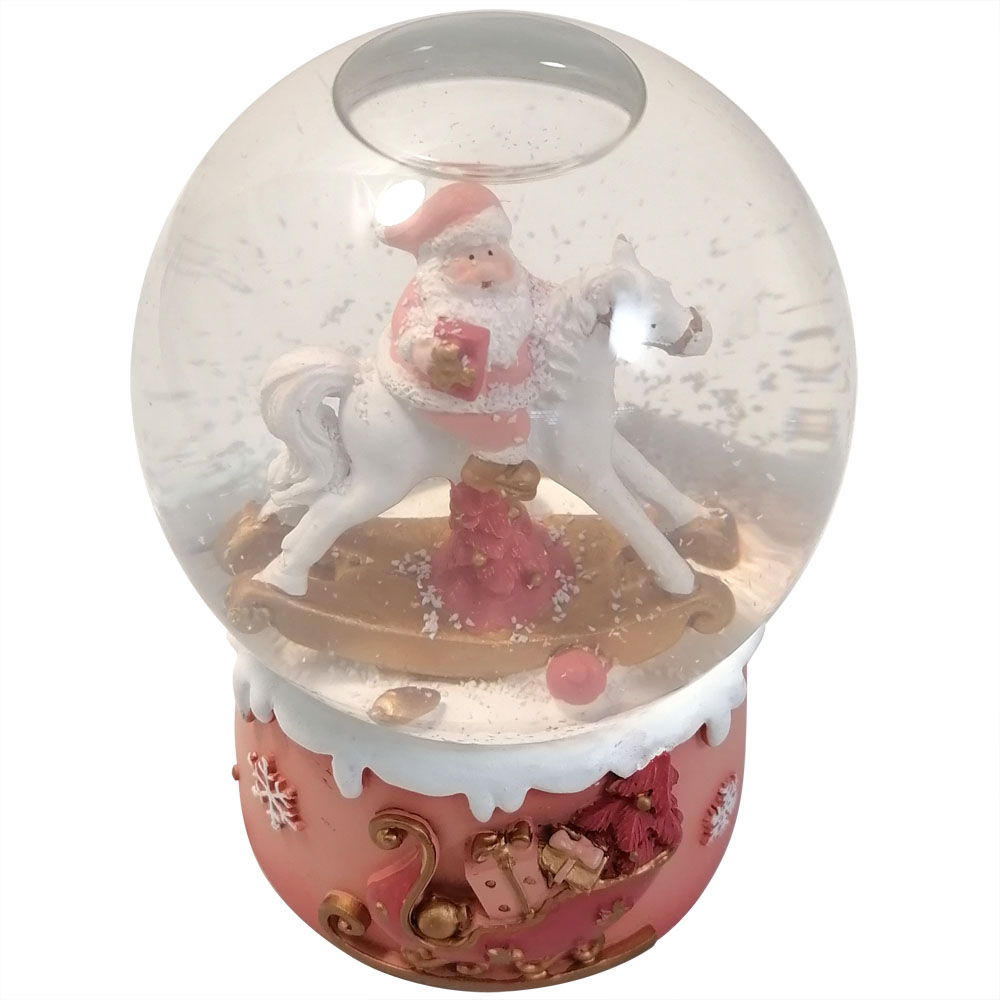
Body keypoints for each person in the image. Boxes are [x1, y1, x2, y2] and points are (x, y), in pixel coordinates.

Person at [375, 182, 544, 499]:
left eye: (490, 253)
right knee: (505, 425)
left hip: (513, 384)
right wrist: (430, 355)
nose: (485, 267)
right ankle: (490, 467)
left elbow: (549, 299)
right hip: (445, 388)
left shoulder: (519, 284)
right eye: (470, 256)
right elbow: (407, 327)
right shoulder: (429, 290)